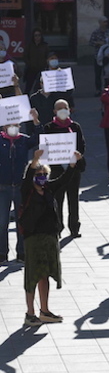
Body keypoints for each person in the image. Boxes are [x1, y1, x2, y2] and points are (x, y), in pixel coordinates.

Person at [20, 148, 82, 327]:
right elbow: (27, 177)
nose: (41, 176)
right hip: (33, 238)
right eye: (38, 174)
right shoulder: (27, 190)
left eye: (43, 173)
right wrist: (35, 160)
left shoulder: (48, 188)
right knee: (32, 275)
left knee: (45, 274)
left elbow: (64, 180)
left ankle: (45, 311)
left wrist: (72, 164)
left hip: (50, 237)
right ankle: (30, 313)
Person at [0, 110, 41, 263]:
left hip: (20, 187)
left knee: (22, 221)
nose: (14, 127)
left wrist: (35, 120)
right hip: (2, 187)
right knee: (2, 223)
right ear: (4, 126)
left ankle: (22, 252)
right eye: (11, 124)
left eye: (17, 124)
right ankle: (2, 253)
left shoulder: (23, 140)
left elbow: (39, 136)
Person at [43, 99, 86, 238]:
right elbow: (46, 148)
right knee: (57, 200)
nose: (63, 110)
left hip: (73, 168)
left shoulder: (75, 126)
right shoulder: (49, 127)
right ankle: (58, 227)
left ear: (69, 110)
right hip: (57, 170)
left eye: (65, 108)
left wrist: (78, 155)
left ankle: (74, 227)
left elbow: (81, 144)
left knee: (73, 199)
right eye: (60, 108)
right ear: (55, 111)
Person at [88, 17, 109, 96]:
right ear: (100, 23)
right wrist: (97, 43)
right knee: (98, 74)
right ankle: (98, 89)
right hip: (98, 56)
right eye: (104, 22)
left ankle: (107, 89)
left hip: (107, 56)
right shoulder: (95, 32)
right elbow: (91, 42)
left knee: (107, 73)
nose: (106, 24)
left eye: (106, 22)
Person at [23, 28, 50, 94]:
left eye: (39, 35)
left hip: (41, 69)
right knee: (28, 87)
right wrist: (29, 63)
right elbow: (25, 56)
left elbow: (48, 56)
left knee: (40, 87)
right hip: (31, 69)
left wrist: (45, 65)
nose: (37, 37)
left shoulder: (45, 45)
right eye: (36, 35)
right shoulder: (29, 45)